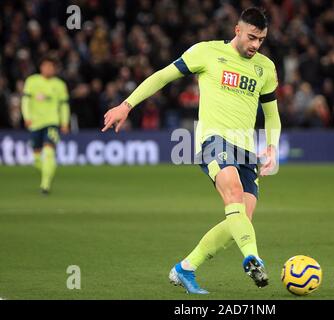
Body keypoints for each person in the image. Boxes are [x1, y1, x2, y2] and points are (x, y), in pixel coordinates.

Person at [102, 7, 281, 294]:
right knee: (233, 194)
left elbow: (271, 114)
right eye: (251, 38)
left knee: (241, 220)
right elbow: (162, 77)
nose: (255, 45)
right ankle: (254, 259)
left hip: (247, 149)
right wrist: (127, 105)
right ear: (237, 30)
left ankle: (185, 268)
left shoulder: (266, 68)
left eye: (261, 40)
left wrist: (272, 146)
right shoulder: (206, 52)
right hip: (214, 140)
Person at [21, 55, 70, 194]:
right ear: (41, 67)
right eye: (46, 66)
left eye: (51, 66)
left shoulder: (60, 85)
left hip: (52, 123)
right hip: (35, 123)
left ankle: (45, 185)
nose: (48, 69)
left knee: (49, 152)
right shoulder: (32, 81)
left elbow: (64, 106)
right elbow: (25, 101)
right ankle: (48, 172)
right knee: (36, 158)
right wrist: (27, 117)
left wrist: (65, 122)